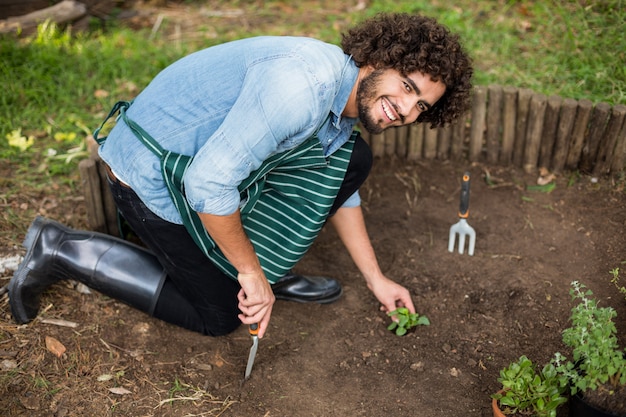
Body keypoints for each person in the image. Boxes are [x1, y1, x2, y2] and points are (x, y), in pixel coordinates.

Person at [9, 13, 473, 339]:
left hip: (204, 166)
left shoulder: (345, 96)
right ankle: (63, 248)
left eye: (421, 107)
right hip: (149, 174)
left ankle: (264, 267)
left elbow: (334, 183)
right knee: (218, 315)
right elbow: (207, 185)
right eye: (407, 87)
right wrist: (250, 275)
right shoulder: (302, 89)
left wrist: (376, 278)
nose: (406, 110)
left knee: (353, 161)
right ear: (379, 57)